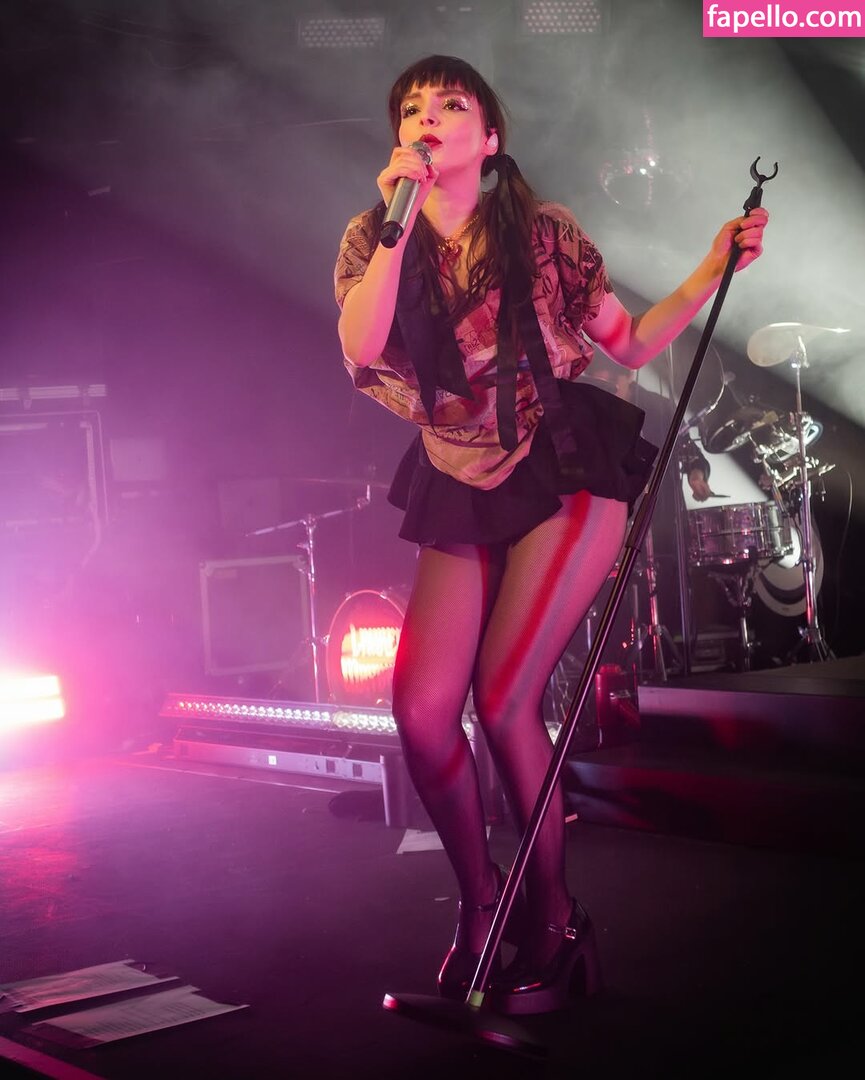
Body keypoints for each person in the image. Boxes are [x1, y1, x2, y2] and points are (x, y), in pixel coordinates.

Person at [335, 55, 768, 1014]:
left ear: (488, 138)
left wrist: (712, 267)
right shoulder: (374, 235)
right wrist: (398, 225)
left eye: (451, 104)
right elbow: (361, 345)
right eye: (411, 108)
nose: (427, 117)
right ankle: (480, 904)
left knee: (502, 701)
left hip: (559, 461)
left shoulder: (542, 233)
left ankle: (556, 920)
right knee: (420, 711)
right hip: (456, 474)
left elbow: (630, 341)